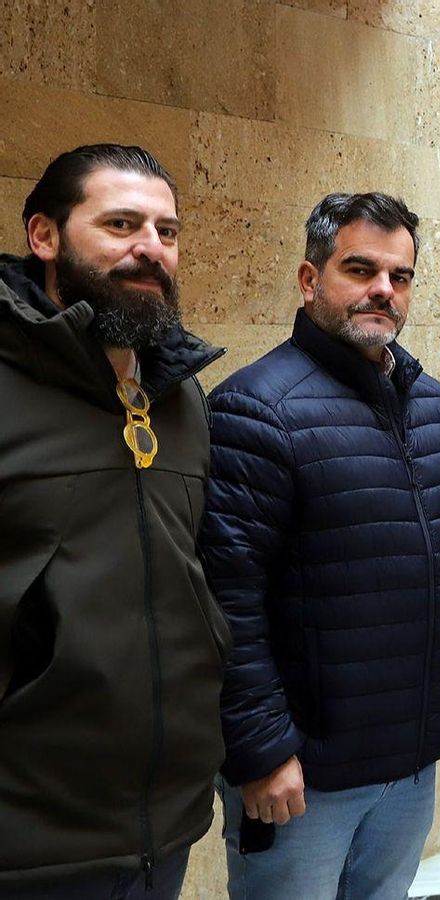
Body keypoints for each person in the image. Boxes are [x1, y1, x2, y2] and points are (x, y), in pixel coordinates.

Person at [200, 192, 440, 899]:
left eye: (400, 276)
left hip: (411, 761)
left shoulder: (433, 405)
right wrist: (260, 750)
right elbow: (224, 599)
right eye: (360, 269)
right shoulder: (255, 409)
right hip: (305, 777)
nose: (383, 289)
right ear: (309, 279)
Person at [0, 144, 225, 899]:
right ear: (45, 236)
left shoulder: (180, 395)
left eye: (167, 230)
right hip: (30, 839)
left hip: (164, 828)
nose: (150, 249)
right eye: (122, 223)